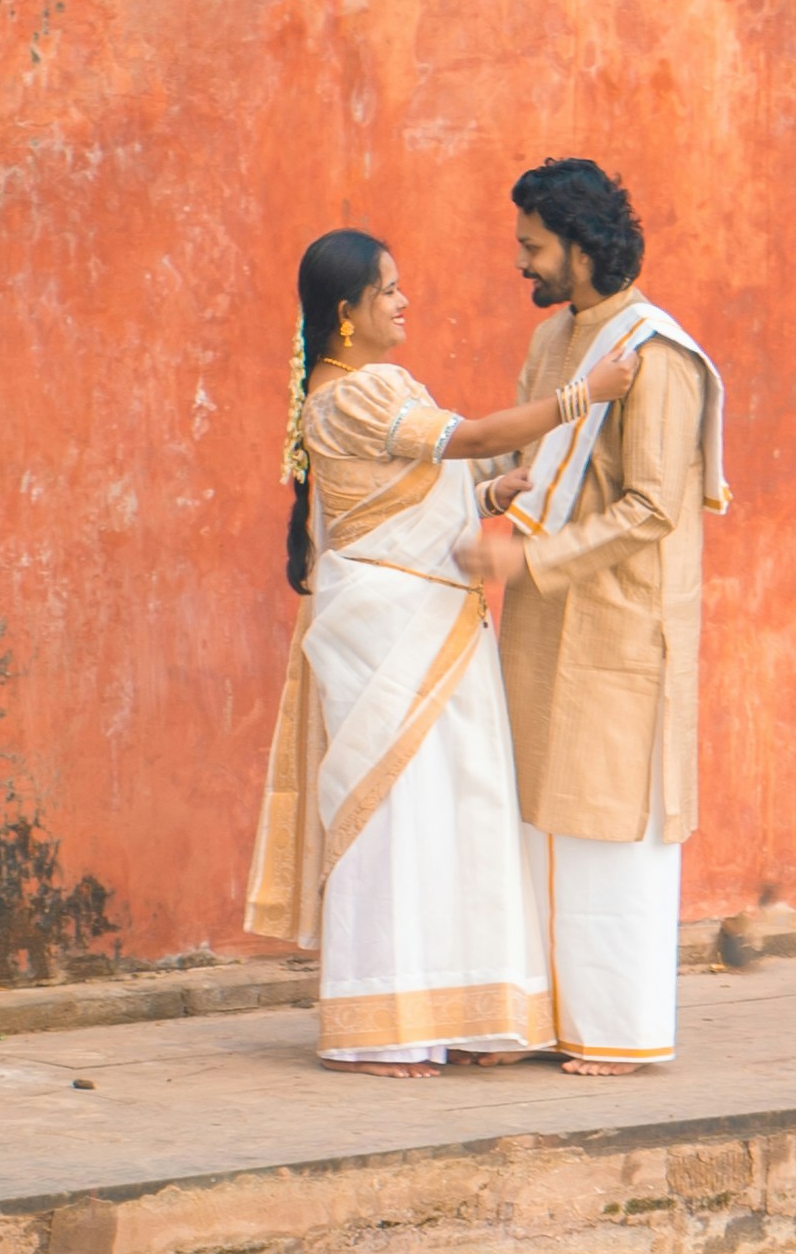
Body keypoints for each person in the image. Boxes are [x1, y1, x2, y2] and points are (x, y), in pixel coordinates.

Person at [245, 228, 639, 1074]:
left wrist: (487, 495)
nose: (402, 300)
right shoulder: (354, 391)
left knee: (456, 811)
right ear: (346, 315)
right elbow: (465, 438)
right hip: (392, 634)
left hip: (433, 624)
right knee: (394, 822)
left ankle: (461, 1010)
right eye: (387, 290)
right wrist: (586, 394)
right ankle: (380, 1027)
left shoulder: (359, 388)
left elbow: (409, 491)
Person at [490, 155, 730, 1078]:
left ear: (582, 247)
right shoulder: (558, 342)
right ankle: (544, 1016)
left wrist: (530, 558)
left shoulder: (657, 356)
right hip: (547, 617)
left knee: (607, 833)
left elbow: (654, 507)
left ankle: (622, 1029)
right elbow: (528, 453)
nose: (523, 263)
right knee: (538, 820)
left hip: (621, 624)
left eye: (533, 246)